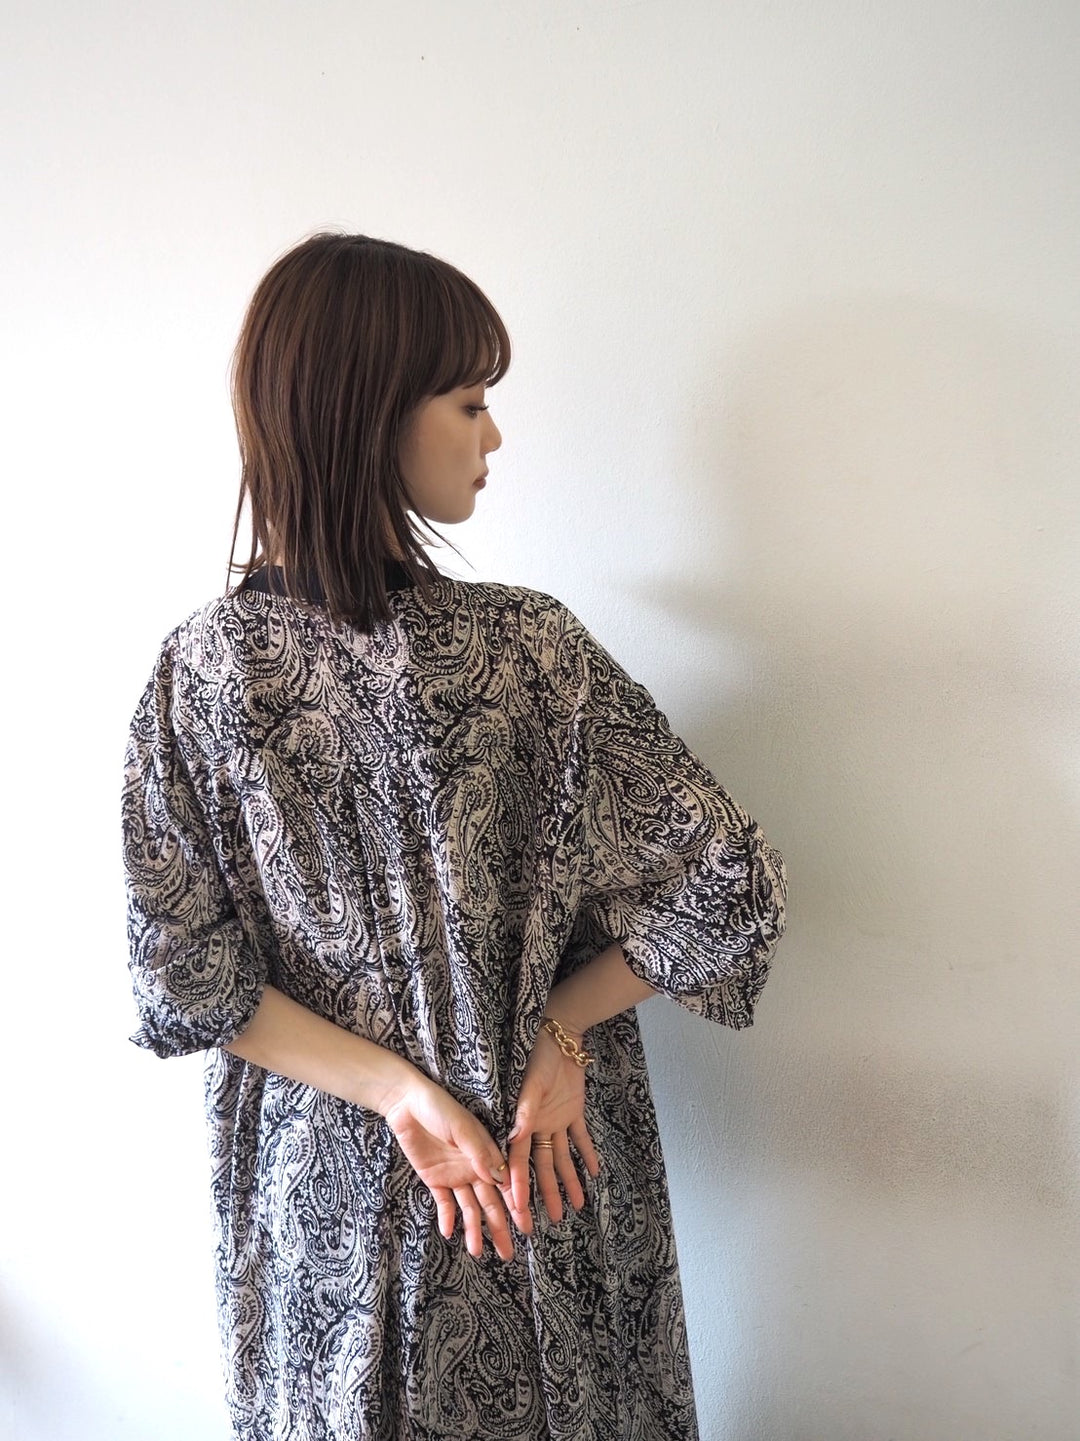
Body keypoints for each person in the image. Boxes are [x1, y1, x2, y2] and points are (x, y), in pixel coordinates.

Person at [120, 231, 787, 1441]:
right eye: (471, 402)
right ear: (368, 412)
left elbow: (193, 981)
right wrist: (545, 1036)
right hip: (518, 1195)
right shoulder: (526, 654)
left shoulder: (203, 676)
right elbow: (725, 888)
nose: (495, 436)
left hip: (353, 1209)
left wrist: (420, 1083)